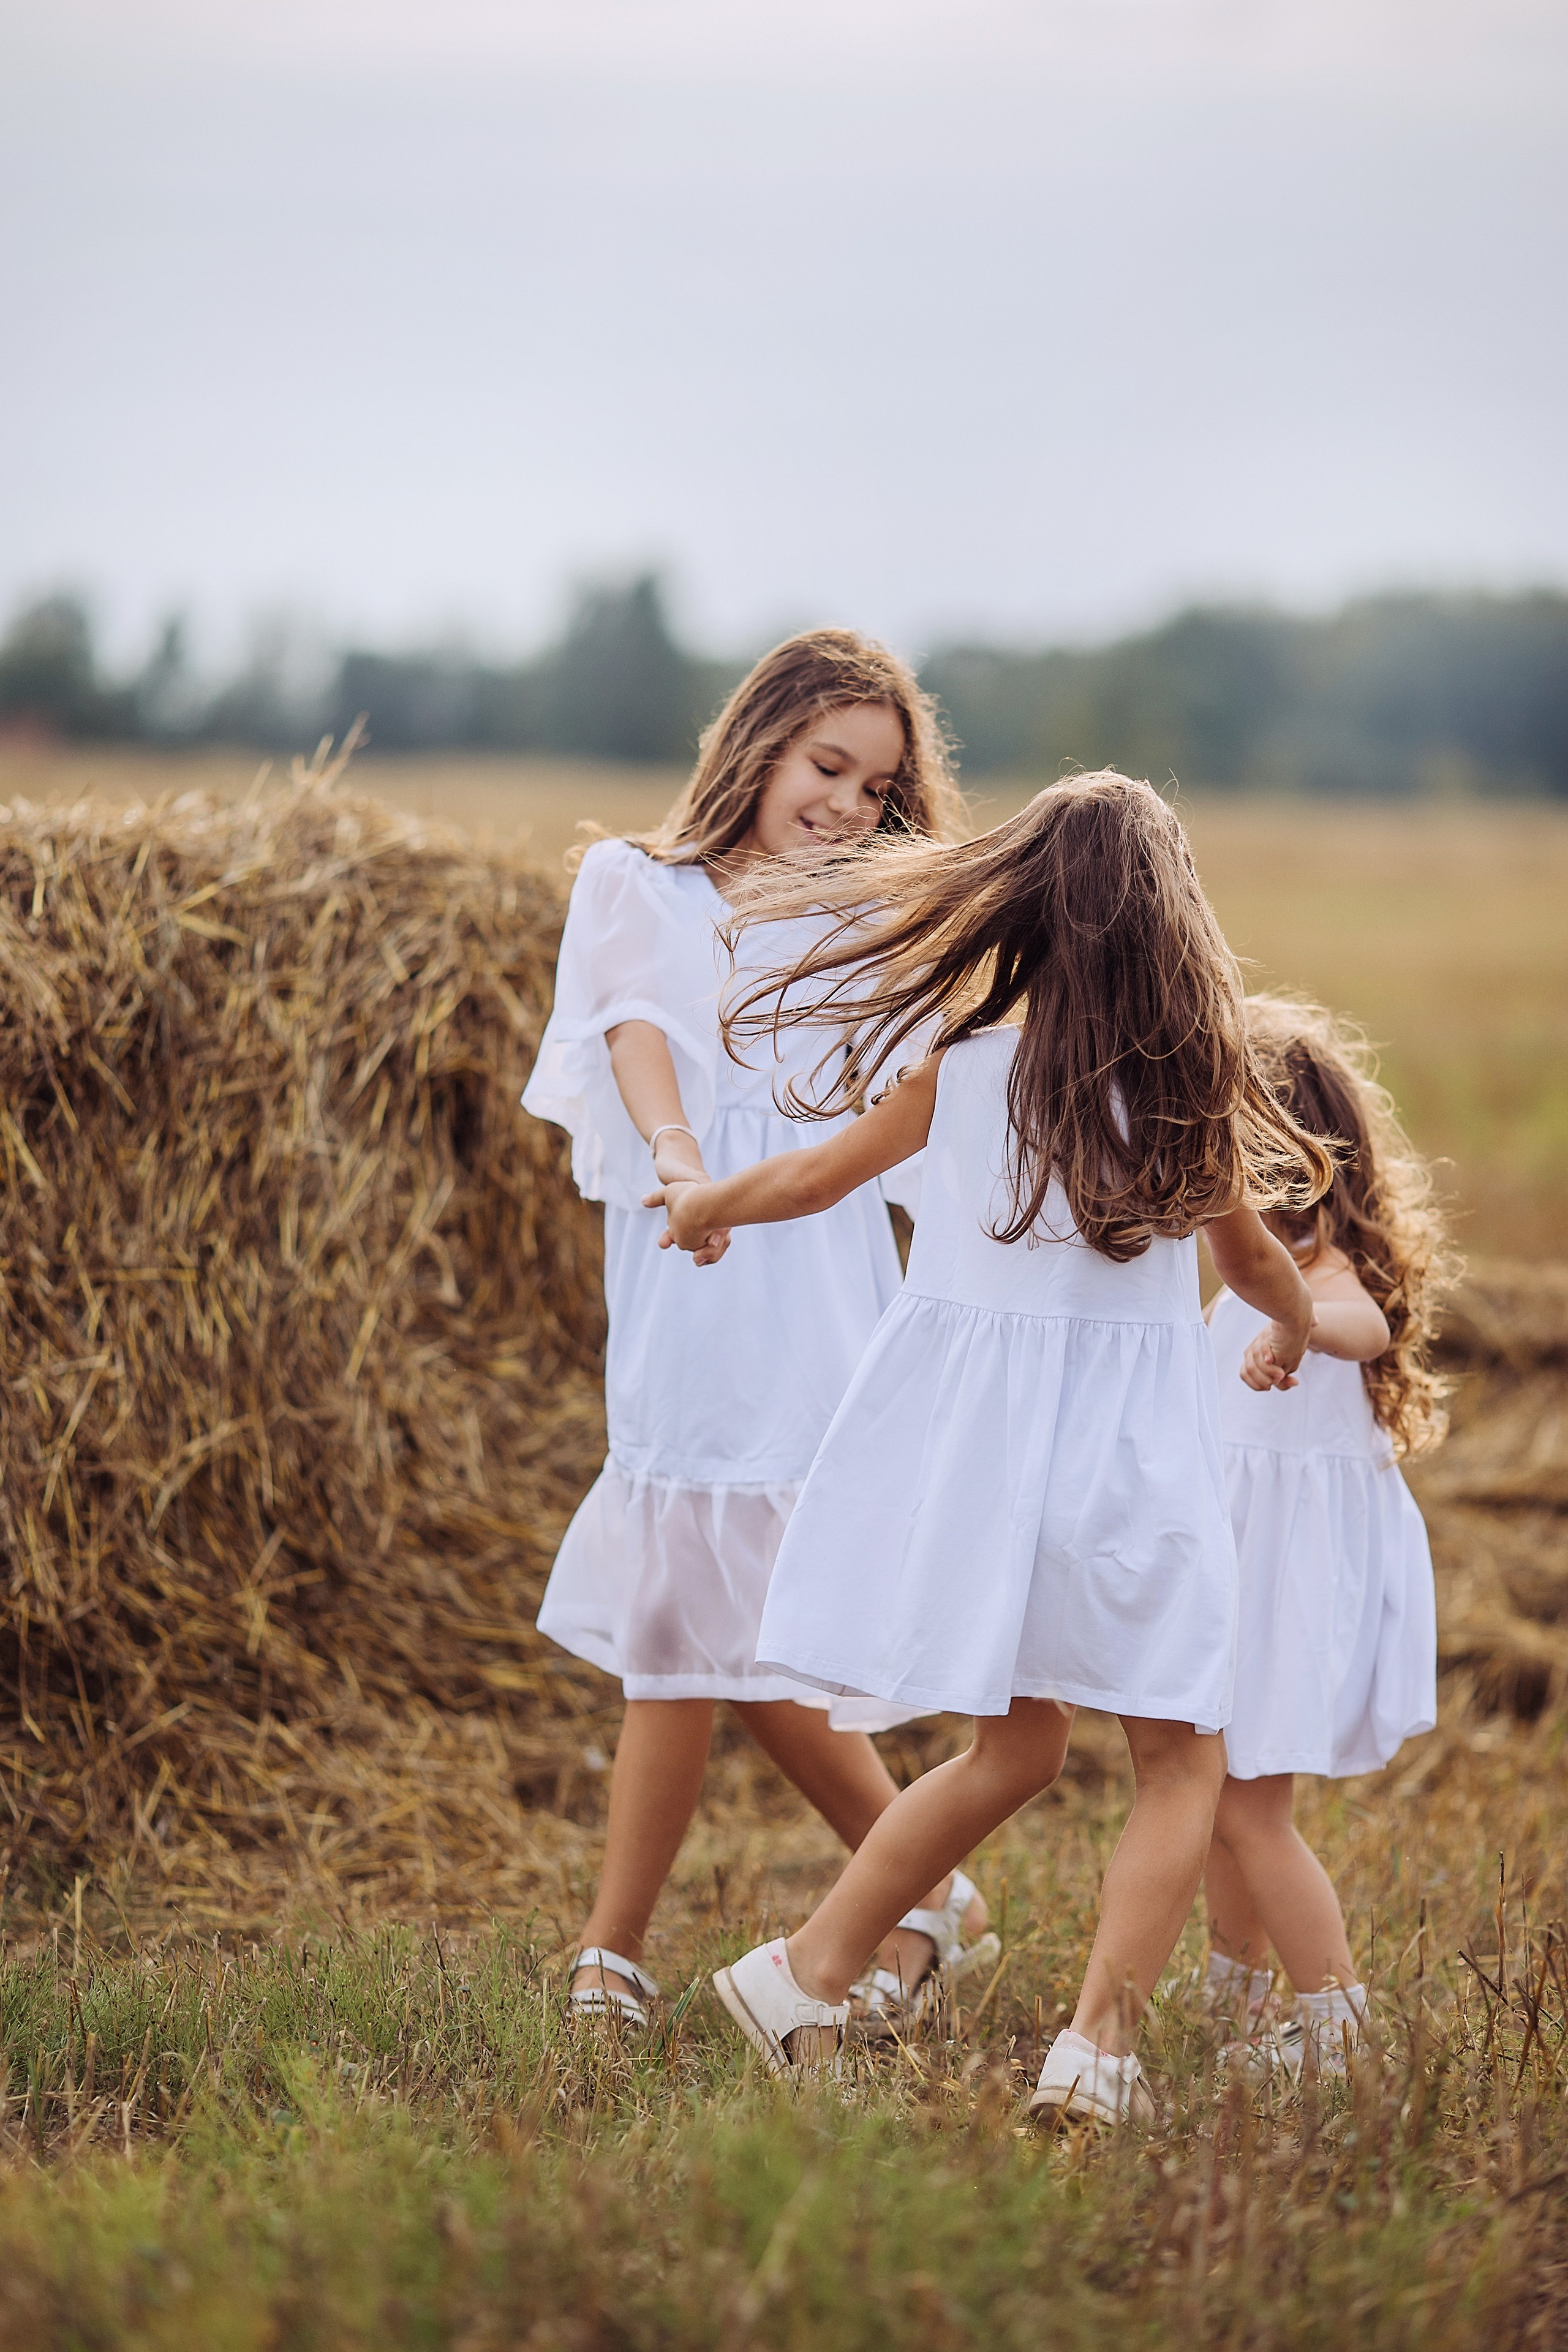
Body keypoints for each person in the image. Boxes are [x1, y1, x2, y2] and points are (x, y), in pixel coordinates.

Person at [652, 772, 1333, 2125]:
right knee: (1180, 1760)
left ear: (1021, 911)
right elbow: (1255, 1266)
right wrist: (1299, 1328)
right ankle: (1093, 2056)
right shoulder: (1191, 1097)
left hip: (979, 1479)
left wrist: (698, 1205)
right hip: (1125, 1479)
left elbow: (811, 1179)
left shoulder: (956, 1072)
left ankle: (806, 1972)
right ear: (1171, 928)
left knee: (1012, 1751)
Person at [521, 628, 993, 2034]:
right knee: (686, 1609)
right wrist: (678, 1162)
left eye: (875, 787)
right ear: (758, 744)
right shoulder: (633, 884)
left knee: (736, 1623)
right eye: (826, 766)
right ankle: (925, 1891)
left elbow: (925, 1122)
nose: (847, 804)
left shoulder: (874, 926)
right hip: (684, 1287)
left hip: (816, 1304)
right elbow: (636, 1033)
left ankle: (622, 1948)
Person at [1199, 995, 1453, 2078]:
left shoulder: (1320, 1263)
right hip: (1245, 1557)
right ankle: (1239, 2006)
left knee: (1251, 1807)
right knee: (1217, 1794)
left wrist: (1295, 1323)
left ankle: (1337, 2025)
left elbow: (1365, 1325)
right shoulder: (1247, 1252)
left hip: (1285, 1574)